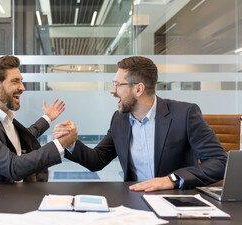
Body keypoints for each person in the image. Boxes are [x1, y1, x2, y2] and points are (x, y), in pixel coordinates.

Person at [53, 56, 227, 192]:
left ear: (138, 89)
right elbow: (98, 160)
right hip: (134, 198)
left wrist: (172, 179)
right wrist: (70, 142)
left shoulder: (184, 114)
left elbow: (219, 161)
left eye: (117, 84)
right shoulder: (119, 120)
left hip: (175, 199)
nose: (112, 91)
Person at [0, 56, 77, 183]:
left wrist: (47, 118)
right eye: (15, 81)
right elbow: (13, 167)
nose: (22, 88)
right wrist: (61, 144)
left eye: (21, 81)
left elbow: (25, 136)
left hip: (17, 193)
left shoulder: (4, 118)